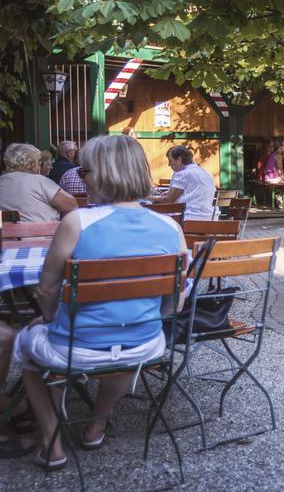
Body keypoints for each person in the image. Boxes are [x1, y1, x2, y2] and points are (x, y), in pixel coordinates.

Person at [13, 135, 188, 468]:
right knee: (119, 348)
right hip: (146, 344)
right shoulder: (170, 228)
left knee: (28, 348)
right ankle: (97, 423)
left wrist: (48, 319)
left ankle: (52, 444)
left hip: (75, 348)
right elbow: (174, 305)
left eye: (84, 171)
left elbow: (46, 291)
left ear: (104, 173)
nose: (80, 177)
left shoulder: (76, 222)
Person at [0, 143, 77, 222]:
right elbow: (71, 205)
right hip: (40, 233)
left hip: (5, 233)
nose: (39, 167)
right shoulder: (39, 181)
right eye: (39, 163)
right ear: (32, 164)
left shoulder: (2, 181)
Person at [148, 145, 217, 220]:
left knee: (151, 217)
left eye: (170, 160)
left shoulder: (182, 173)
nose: (169, 164)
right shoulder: (204, 172)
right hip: (212, 218)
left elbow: (168, 200)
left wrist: (147, 198)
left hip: (191, 218)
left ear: (179, 159)